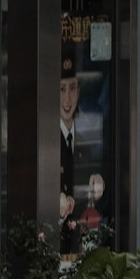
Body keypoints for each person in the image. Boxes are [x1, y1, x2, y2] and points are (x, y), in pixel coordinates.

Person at [58, 51, 81, 254]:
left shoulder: (88, 133)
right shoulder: (48, 137)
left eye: (72, 88)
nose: (67, 98)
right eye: (61, 89)